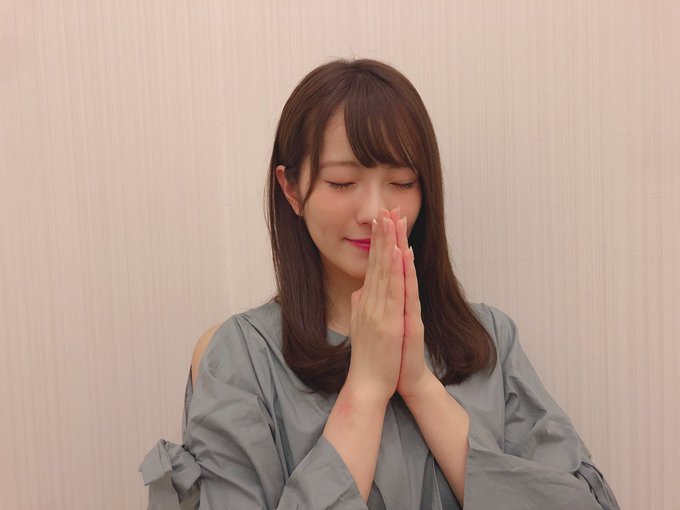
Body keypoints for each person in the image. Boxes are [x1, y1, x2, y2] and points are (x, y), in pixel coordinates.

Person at [139, 58, 619, 509]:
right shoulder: (239, 357)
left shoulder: (489, 339)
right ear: (291, 189)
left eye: (402, 182)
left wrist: (420, 385)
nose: (374, 211)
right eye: (342, 183)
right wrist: (365, 390)